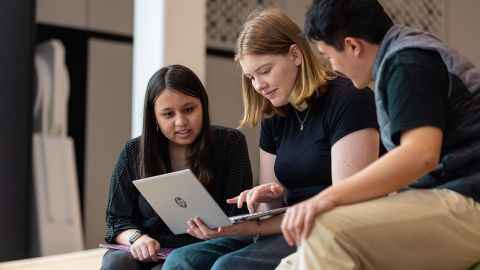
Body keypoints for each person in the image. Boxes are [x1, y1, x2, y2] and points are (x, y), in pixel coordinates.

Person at [163, 9, 379, 270]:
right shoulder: (274, 115)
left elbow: (346, 208)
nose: (259, 85)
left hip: (327, 230)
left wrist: (240, 228)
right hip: (283, 229)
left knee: (227, 267)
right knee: (181, 260)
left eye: (264, 71)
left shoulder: (349, 100)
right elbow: (271, 206)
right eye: (251, 77)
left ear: (296, 55)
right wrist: (265, 198)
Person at [275, 0, 480, 269]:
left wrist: (325, 199)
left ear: (352, 46)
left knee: (325, 229)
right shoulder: (403, 57)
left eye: (328, 56)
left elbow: (420, 154)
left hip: (469, 199)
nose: (333, 68)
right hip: (448, 196)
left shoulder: (408, 62)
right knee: (290, 264)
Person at [100, 64, 253, 270]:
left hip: (206, 247)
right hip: (149, 249)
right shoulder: (133, 151)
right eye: (168, 114)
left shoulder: (230, 144)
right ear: (154, 116)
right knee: (116, 261)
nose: (181, 122)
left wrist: (216, 231)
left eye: (189, 109)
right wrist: (137, 239)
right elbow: (116, 219)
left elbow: (239, 215)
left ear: (203, 106)